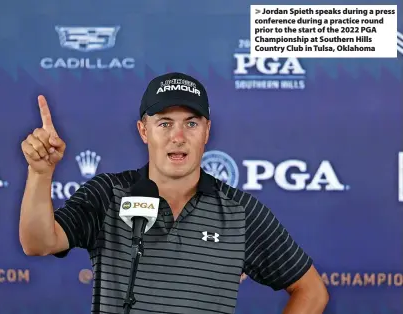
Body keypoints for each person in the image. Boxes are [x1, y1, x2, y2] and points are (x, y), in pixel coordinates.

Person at [19, 72, 329, 314]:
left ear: (206, 131)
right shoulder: (108, 194)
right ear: (144, 131)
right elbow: (38, 242)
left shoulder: (239, 211)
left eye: (190, 124)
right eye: (165, 123)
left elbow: (311, 290)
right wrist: (40, 173)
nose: (178, 137)